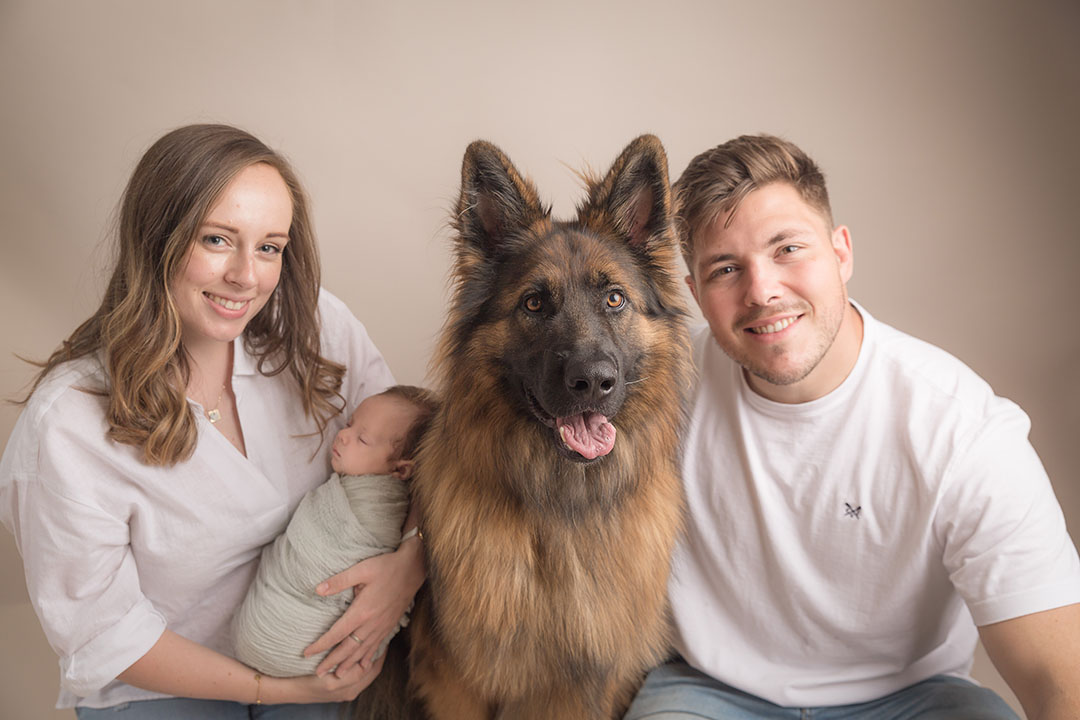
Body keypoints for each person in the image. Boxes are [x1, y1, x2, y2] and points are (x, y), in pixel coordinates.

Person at [625, 134, 1080, 719]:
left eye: (788, 249)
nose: (761, 291)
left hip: (911, 700)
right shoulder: (659, 392)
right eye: (725, 269)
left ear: (841, 253)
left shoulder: (960, 429)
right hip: (709, 693)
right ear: (695, 294)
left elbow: (1058, 677)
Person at [0, 124, 425, 718]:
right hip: (166, 679)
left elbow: (426, 462)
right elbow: (104, 632)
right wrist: (275, 692)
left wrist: (411, 562)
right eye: (218, 239)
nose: (246, 277)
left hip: (322, 649)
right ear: (157, 241)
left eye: (270, 246)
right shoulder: (68, 424)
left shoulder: (318, 328)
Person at [233, 385, 438, 678]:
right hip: (278, 646)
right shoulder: (360, 481)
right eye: (350, 424)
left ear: (400, 471)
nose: (343, 435)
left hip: (296, 648)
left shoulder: (376, 513)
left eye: (362, 439)